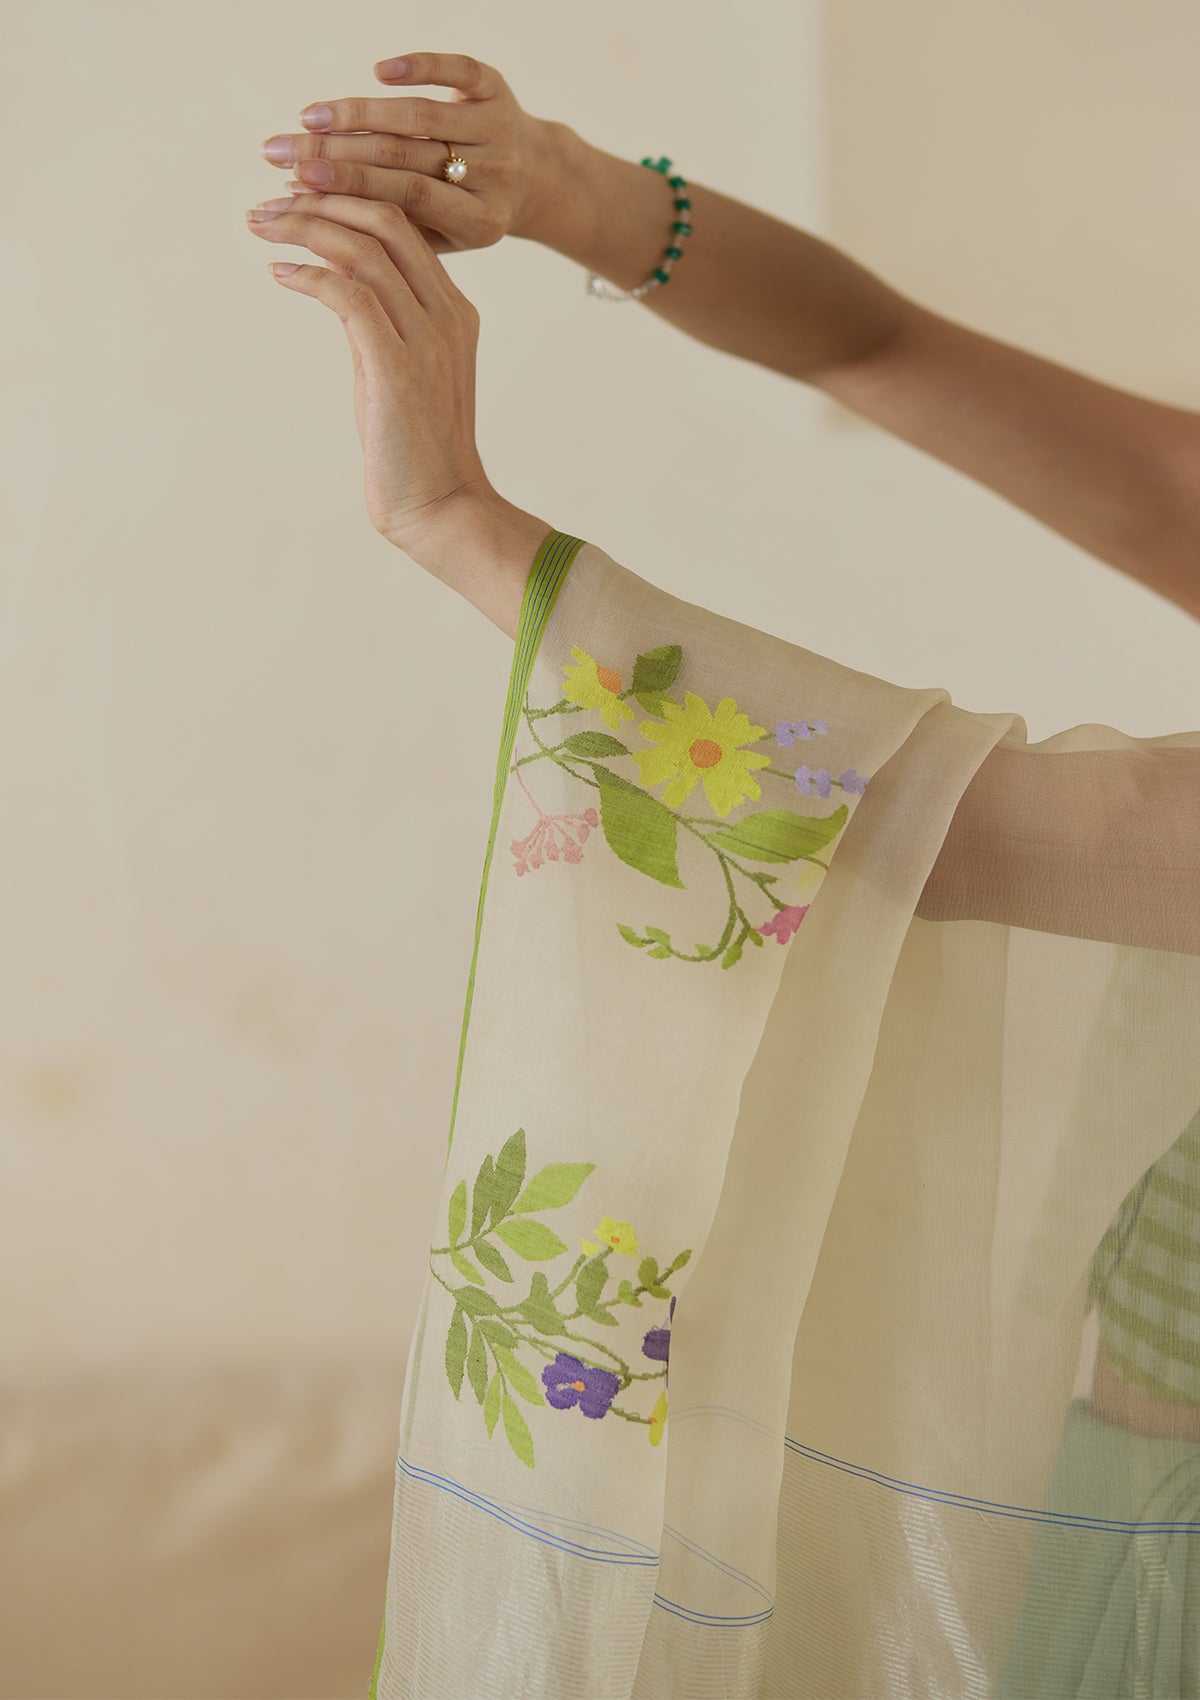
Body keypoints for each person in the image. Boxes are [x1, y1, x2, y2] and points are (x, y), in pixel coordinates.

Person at [243, 53, 1200, 1700]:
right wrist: (565, 189)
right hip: (1117, 1514)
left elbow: (928, 829)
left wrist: (459, 520)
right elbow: (871, 342)